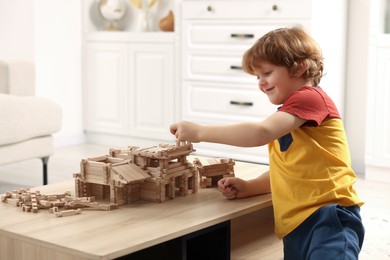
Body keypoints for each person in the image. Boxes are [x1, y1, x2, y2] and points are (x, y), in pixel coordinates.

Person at [170, 26, 365, 259]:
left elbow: (259, 132)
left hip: (329, 217)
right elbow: (287, 171)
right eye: (257, 76)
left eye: (267, 73)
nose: (261, 83)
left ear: (299, 66)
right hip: (296, 225)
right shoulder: (291, 117)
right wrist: (251, 186)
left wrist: (200, 132)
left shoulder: (311, 98)